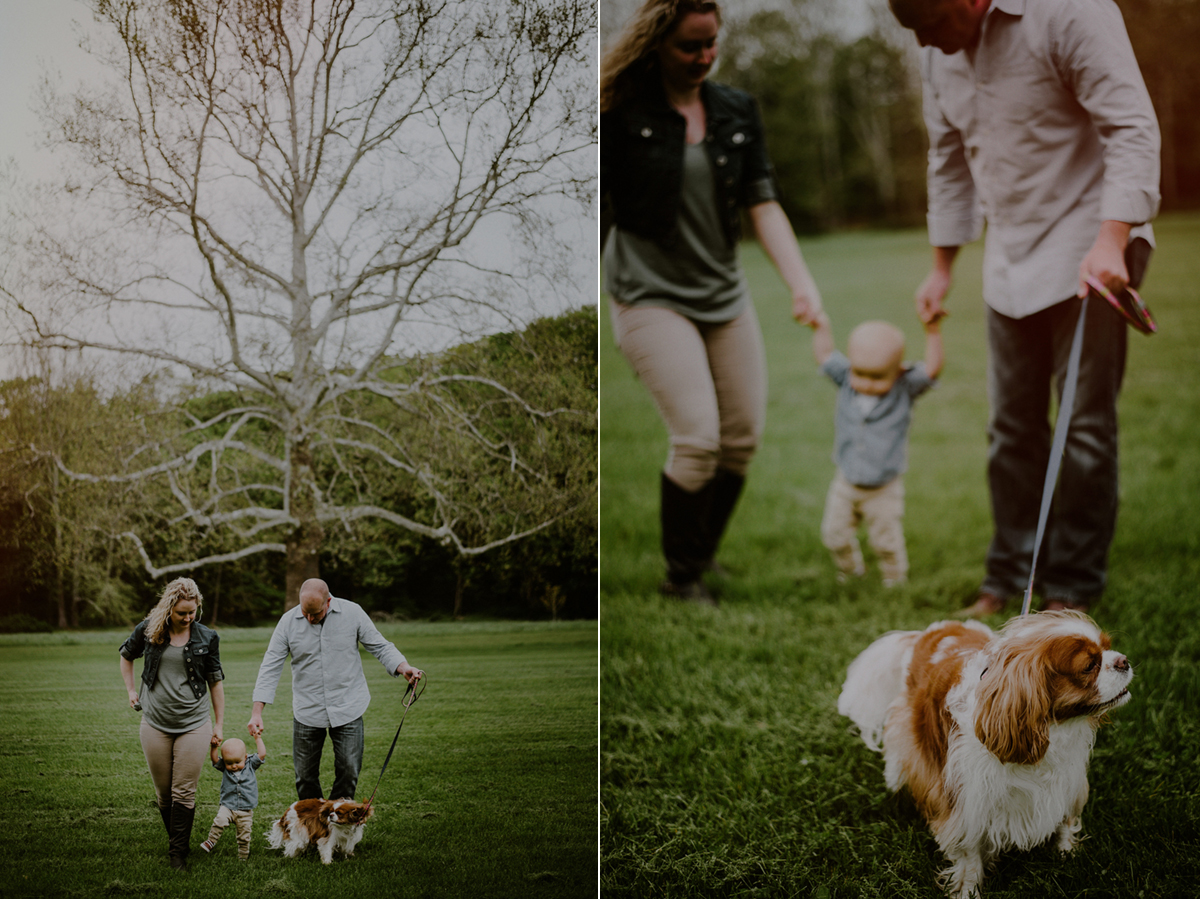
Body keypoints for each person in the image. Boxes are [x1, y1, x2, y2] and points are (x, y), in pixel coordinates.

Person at [887, 0, 1160, 615]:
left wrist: (1113, 238)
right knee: (1010, 427)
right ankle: (1008, 573)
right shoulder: (937, 51)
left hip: (1093, 244)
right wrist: (941, 267)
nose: (930, 43)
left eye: (935, 24)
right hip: (1009, 258)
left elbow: (1131, 126)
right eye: (916, 33)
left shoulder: (1069, 11)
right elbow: (949, 161)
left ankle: (1070, 589)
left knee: (1083, 427)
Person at [600, 0, 825, 604]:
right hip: (649, 295)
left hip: (723, 293)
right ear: (656, 44)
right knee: (698, 437)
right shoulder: (618, 112)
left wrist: (800, 282)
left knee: (742, 436)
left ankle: (699, 555)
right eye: (689, 46)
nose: (703, 57)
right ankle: (683, 579)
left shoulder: (735, 110)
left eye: (711, 44)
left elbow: (762, 200)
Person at [249, 578, 423, 801]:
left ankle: (338, 828)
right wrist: (257, 712)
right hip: (307, 711)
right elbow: (270, 666)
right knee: (304, 777)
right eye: (306, 613)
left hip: (348, 707)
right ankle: (314, 830)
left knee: (349, 772)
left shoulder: (353, 613)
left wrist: (403, 667)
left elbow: (380, 646)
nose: (310, 619)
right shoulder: (287, 622)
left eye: (316, 614)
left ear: (328, 602)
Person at [810, 312, 944, 586]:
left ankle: (895, 580)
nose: (867, 384)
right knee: (834, 534)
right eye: (860, 374)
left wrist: (932, 332)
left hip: (883, 488)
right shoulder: (846, 379)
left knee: (885, 541)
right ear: (851, 366)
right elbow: (824, 355)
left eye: (878, 377)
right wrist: (821, 326)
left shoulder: (904, 388)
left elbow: (931, 369)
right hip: (845, 481)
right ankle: (850, 570)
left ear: (899, 371)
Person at [119, 577, 225, 870]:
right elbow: (126, 656)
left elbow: (215, 682)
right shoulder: (149, 628)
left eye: (192, 612)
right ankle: (178, 841)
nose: (188, 617)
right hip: (154, 723)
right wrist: (130, 690)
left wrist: (218, 724)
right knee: (164, 794)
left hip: (193, 723)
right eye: (182, 613)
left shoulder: (207, 637)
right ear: (169, 608)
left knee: (183, 792)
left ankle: (178, 854)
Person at [200, 735, 267, 859]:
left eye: (237, 762)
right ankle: (211, 841)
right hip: (228, 805)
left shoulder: (250, 764)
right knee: (219, 821)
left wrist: (258, 738)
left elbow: (262, 754)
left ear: (245, 757)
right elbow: (215, 760)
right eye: (229, 763)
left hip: (245, 809)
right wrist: (214, 748)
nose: (233, 766)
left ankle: (243, 856)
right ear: (224, 760)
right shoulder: (225, 768)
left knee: (244, 835)